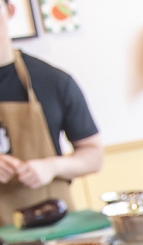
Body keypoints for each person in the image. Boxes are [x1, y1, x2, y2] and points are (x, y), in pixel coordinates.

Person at [0, 0, 102, 217]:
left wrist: (53, 166)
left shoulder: (54, 81)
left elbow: (93, 155)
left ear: (9, 10)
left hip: (52, 225)